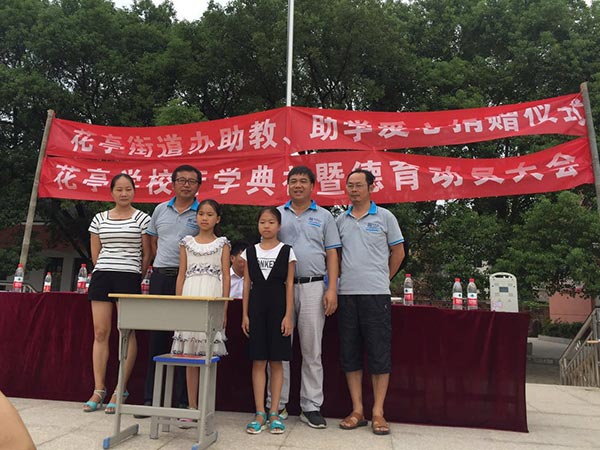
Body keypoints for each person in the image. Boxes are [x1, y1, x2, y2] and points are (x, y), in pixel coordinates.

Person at [267, 166, 340, 428]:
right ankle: (278, 403)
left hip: (313, 286)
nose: (298, 185)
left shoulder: (324, 216)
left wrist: (332, 288)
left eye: (303, 181)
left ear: (312, 185)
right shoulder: (277, 214)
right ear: (287, 185)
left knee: (312, 349)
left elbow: (332, 253)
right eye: (293, 181)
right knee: (279, 348)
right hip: (280, 288)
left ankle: (311, 406)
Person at [335, 169, 405, 436]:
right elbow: (335, 256)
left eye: (358, 185)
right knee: (350, 352)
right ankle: (357, 410)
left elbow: (398, 252)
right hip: (347, 294)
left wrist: (383, 277)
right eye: (350, 185)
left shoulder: (385, 217)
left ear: (371, 187)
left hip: (376, 295)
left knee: (378, 353)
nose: (353, 190)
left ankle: (378, 412)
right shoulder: (340, 220)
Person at [83, 173, 151, 414]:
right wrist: (103, 268)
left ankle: (120, 389)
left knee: (126, 331)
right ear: (111, 192)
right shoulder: (99, 218)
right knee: (100, 332)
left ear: (134, 191)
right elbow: (95, 251)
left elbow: (147, 253)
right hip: (102, 275)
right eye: (119, 189)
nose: (124, 193)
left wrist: (136, 274)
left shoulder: (143, 218)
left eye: (128, 189)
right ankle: (99, 389)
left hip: (129, 275)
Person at [138, 164, 202, 415]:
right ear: (173, 183)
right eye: (181, 180)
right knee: (158, 338)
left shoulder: (202, 212)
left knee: (186, 339)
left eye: (191, 181)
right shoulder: (160, 209)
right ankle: (151, 399)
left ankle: (184, 400)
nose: (186, 185)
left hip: (189, 279)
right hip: (161, 278)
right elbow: (153, 240)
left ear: (198, 186)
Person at [171, 199, 230, 427]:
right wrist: (178, 304)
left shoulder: (222, 244)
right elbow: (181, 274)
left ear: (218, 218)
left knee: (208, 354)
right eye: (201, 213)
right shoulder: (186, 243)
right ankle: (191, 406)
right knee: (190, 355)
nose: (204, 218)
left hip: (212, 297)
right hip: (190, 296)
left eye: (210, 214)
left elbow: (226, 276)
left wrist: (224, 307)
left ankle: (206, 405)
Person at [241, 207, 295, 435]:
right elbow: (246, 284)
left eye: (271, 222)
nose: (266, 226)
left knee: (276, 362)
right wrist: (244, 314)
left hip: (278, 310)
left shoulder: (287, 251)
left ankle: (274, 412)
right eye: (262, 221)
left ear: (279, 226)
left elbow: (290, 285)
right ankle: (259, 412)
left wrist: (288, 315)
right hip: (256, 310)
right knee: (258, 361)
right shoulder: (249, 252)